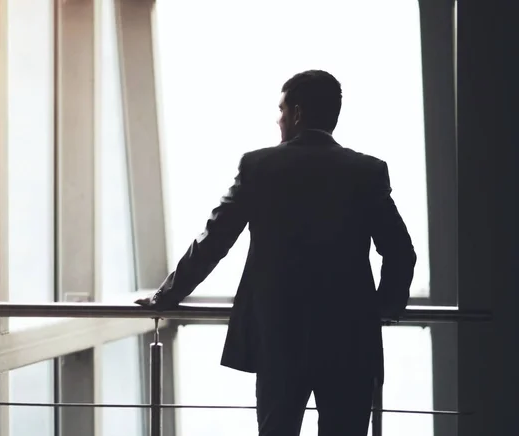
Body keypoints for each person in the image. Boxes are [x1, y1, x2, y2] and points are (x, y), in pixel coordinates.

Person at [136, 70, 416, 436]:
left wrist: (168, 295)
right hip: (349, 336)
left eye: (282, 110)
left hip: (278, 336)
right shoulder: (366, 171)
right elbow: (399, 251)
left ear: (297, 113)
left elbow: (215, 239)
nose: (279, 119)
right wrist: (384, 308)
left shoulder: (259, 167)